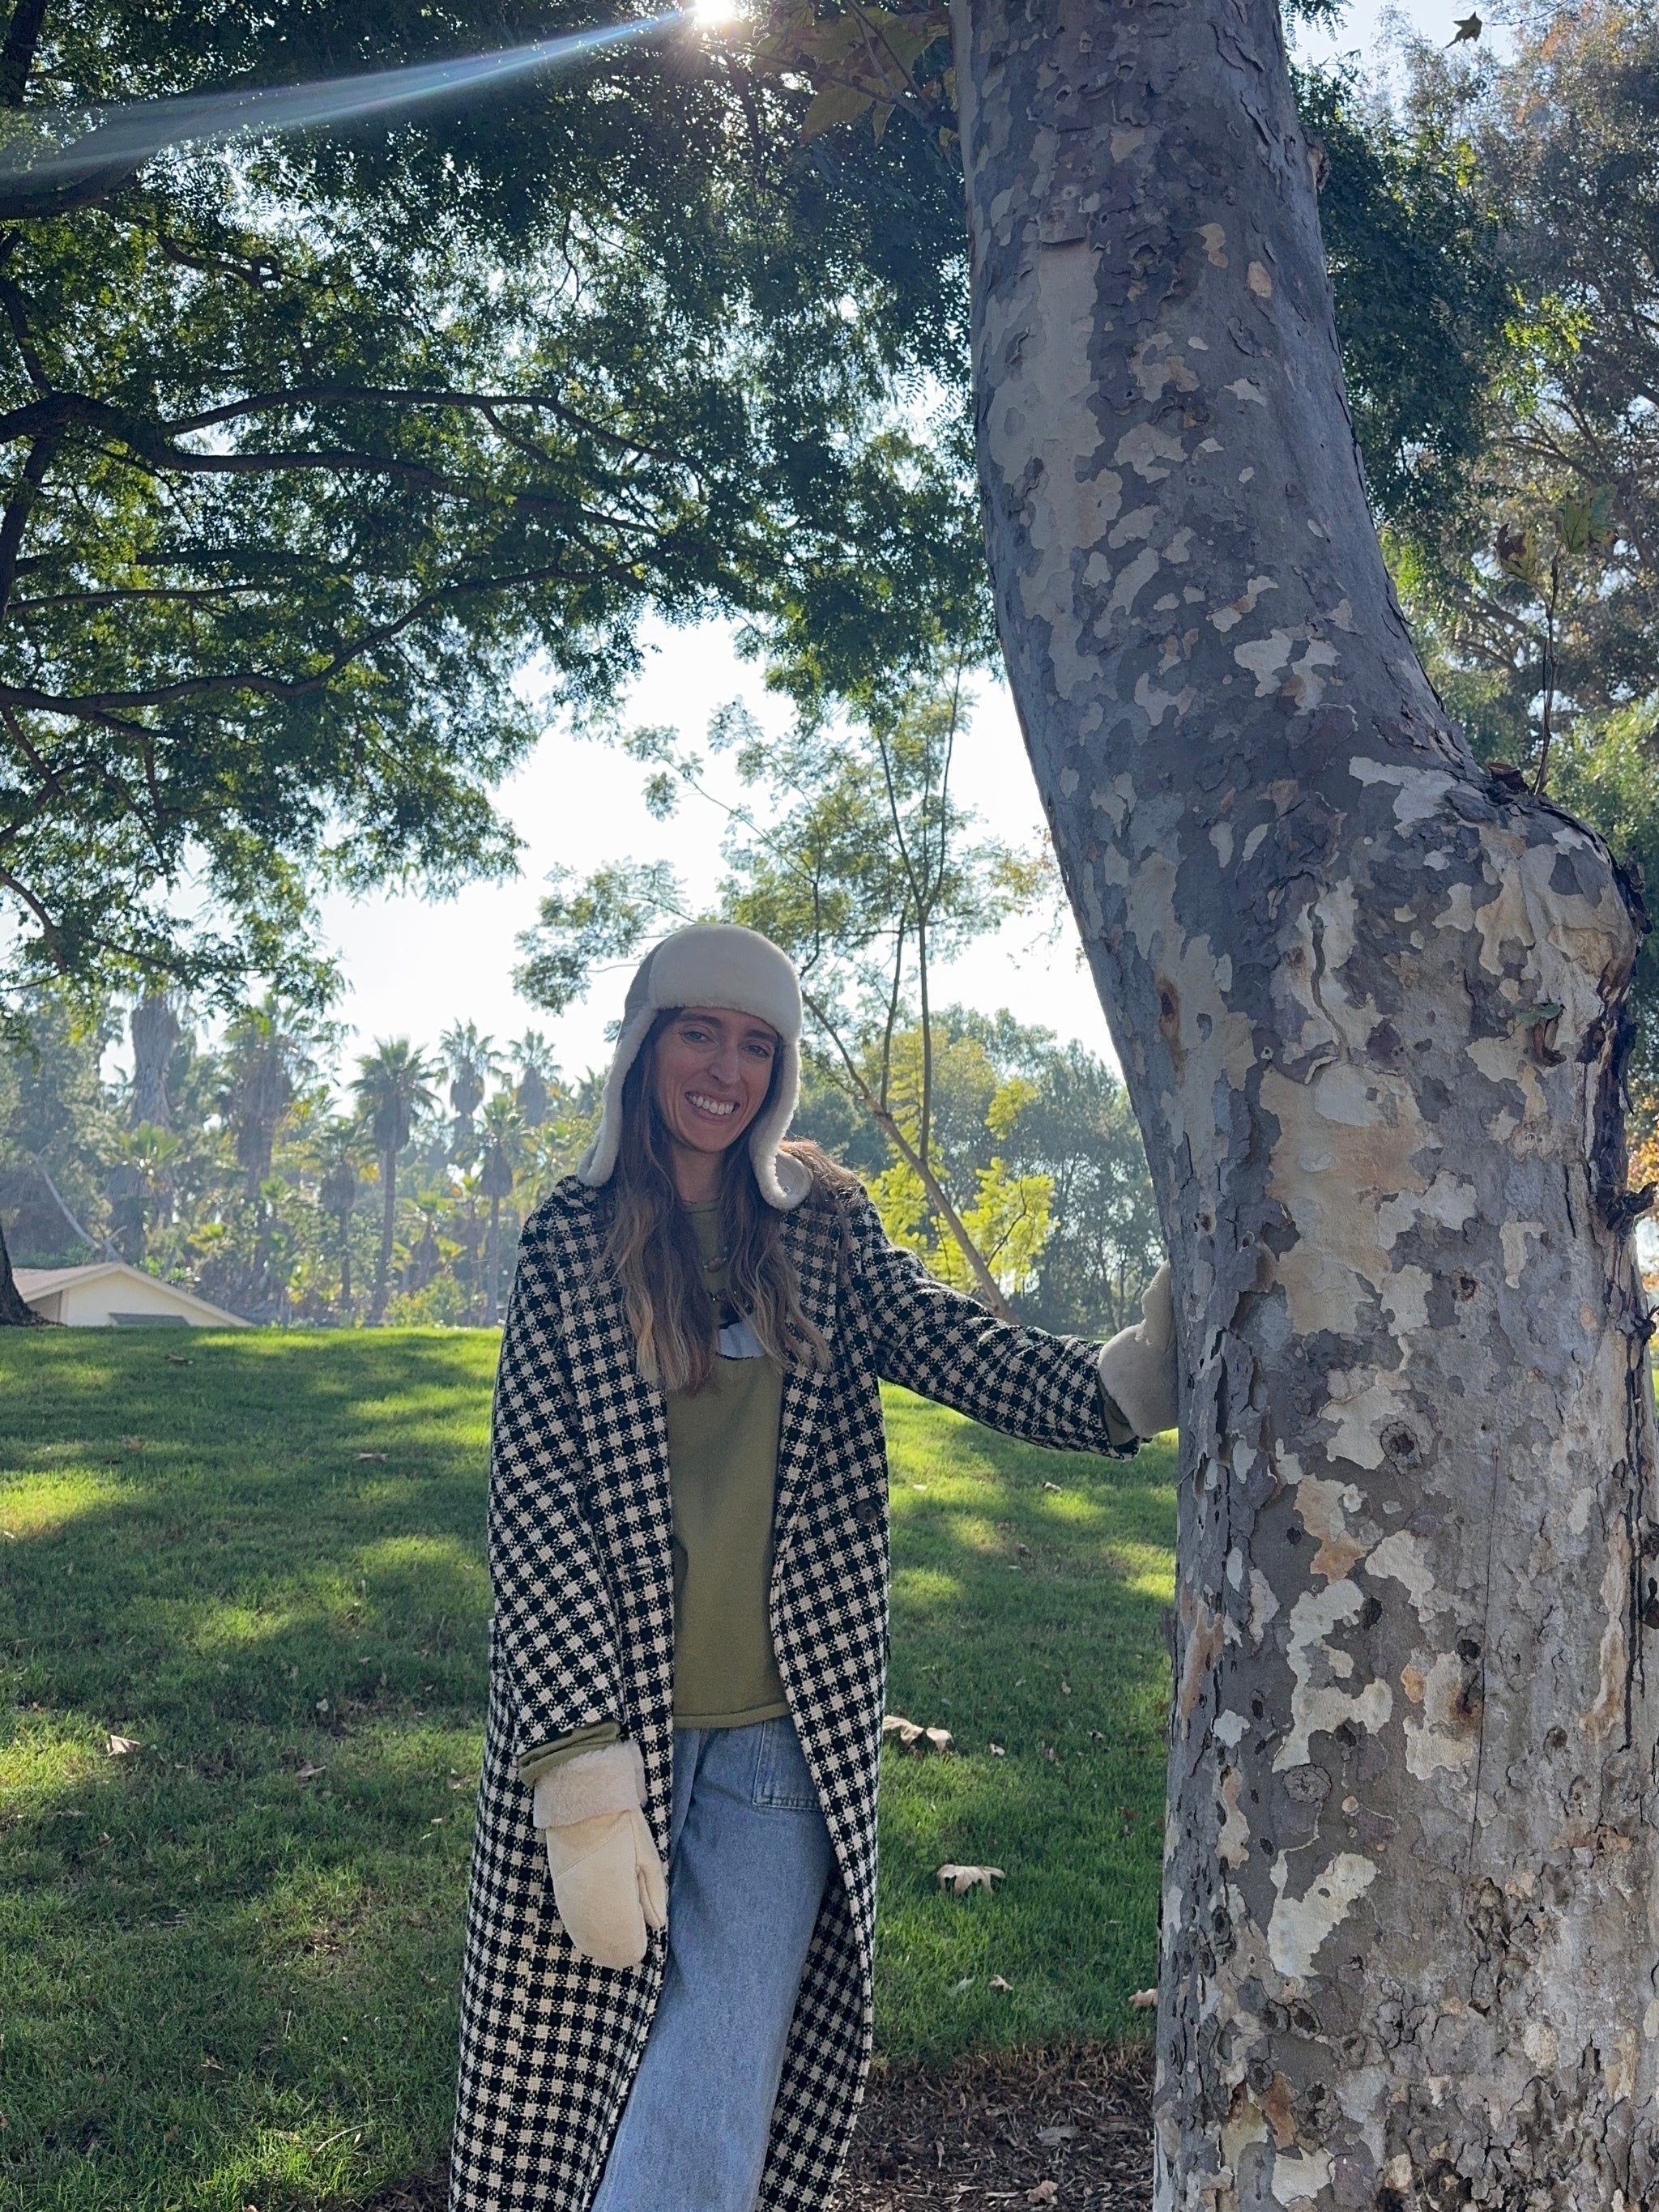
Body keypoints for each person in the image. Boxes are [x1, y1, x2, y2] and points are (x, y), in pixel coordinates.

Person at [449, 922, 1178, 2212]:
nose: (724, 1069)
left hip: (783, 1737)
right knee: (554, 2084)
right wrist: (577, 1770)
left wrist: (1120, 1386)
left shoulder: (825, 1226)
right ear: (646, 1044)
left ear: (779, 1070)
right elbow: (535, 1503)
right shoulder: (569, 1236)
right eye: (699, 1032)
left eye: (755, 1043)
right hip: (608, 1735)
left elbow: (959, 1347)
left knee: (718, 2074)